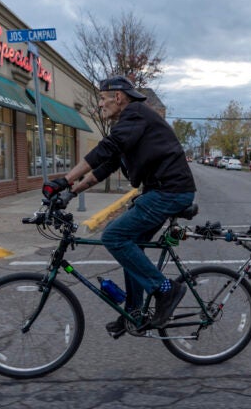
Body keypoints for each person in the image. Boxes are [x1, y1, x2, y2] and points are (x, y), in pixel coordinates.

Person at [42, 75, 196, 336]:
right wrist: (72, 191)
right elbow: (107, 164)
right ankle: (133, 313)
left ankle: (166, 290)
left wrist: (65, 179)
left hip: (169, 192)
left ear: (118, 96)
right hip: (163, 191)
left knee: (114, 236)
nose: (99, 105)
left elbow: (107, 148)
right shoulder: (130, 125)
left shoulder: (135, 114)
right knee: (130, 247)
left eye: (102, 99)